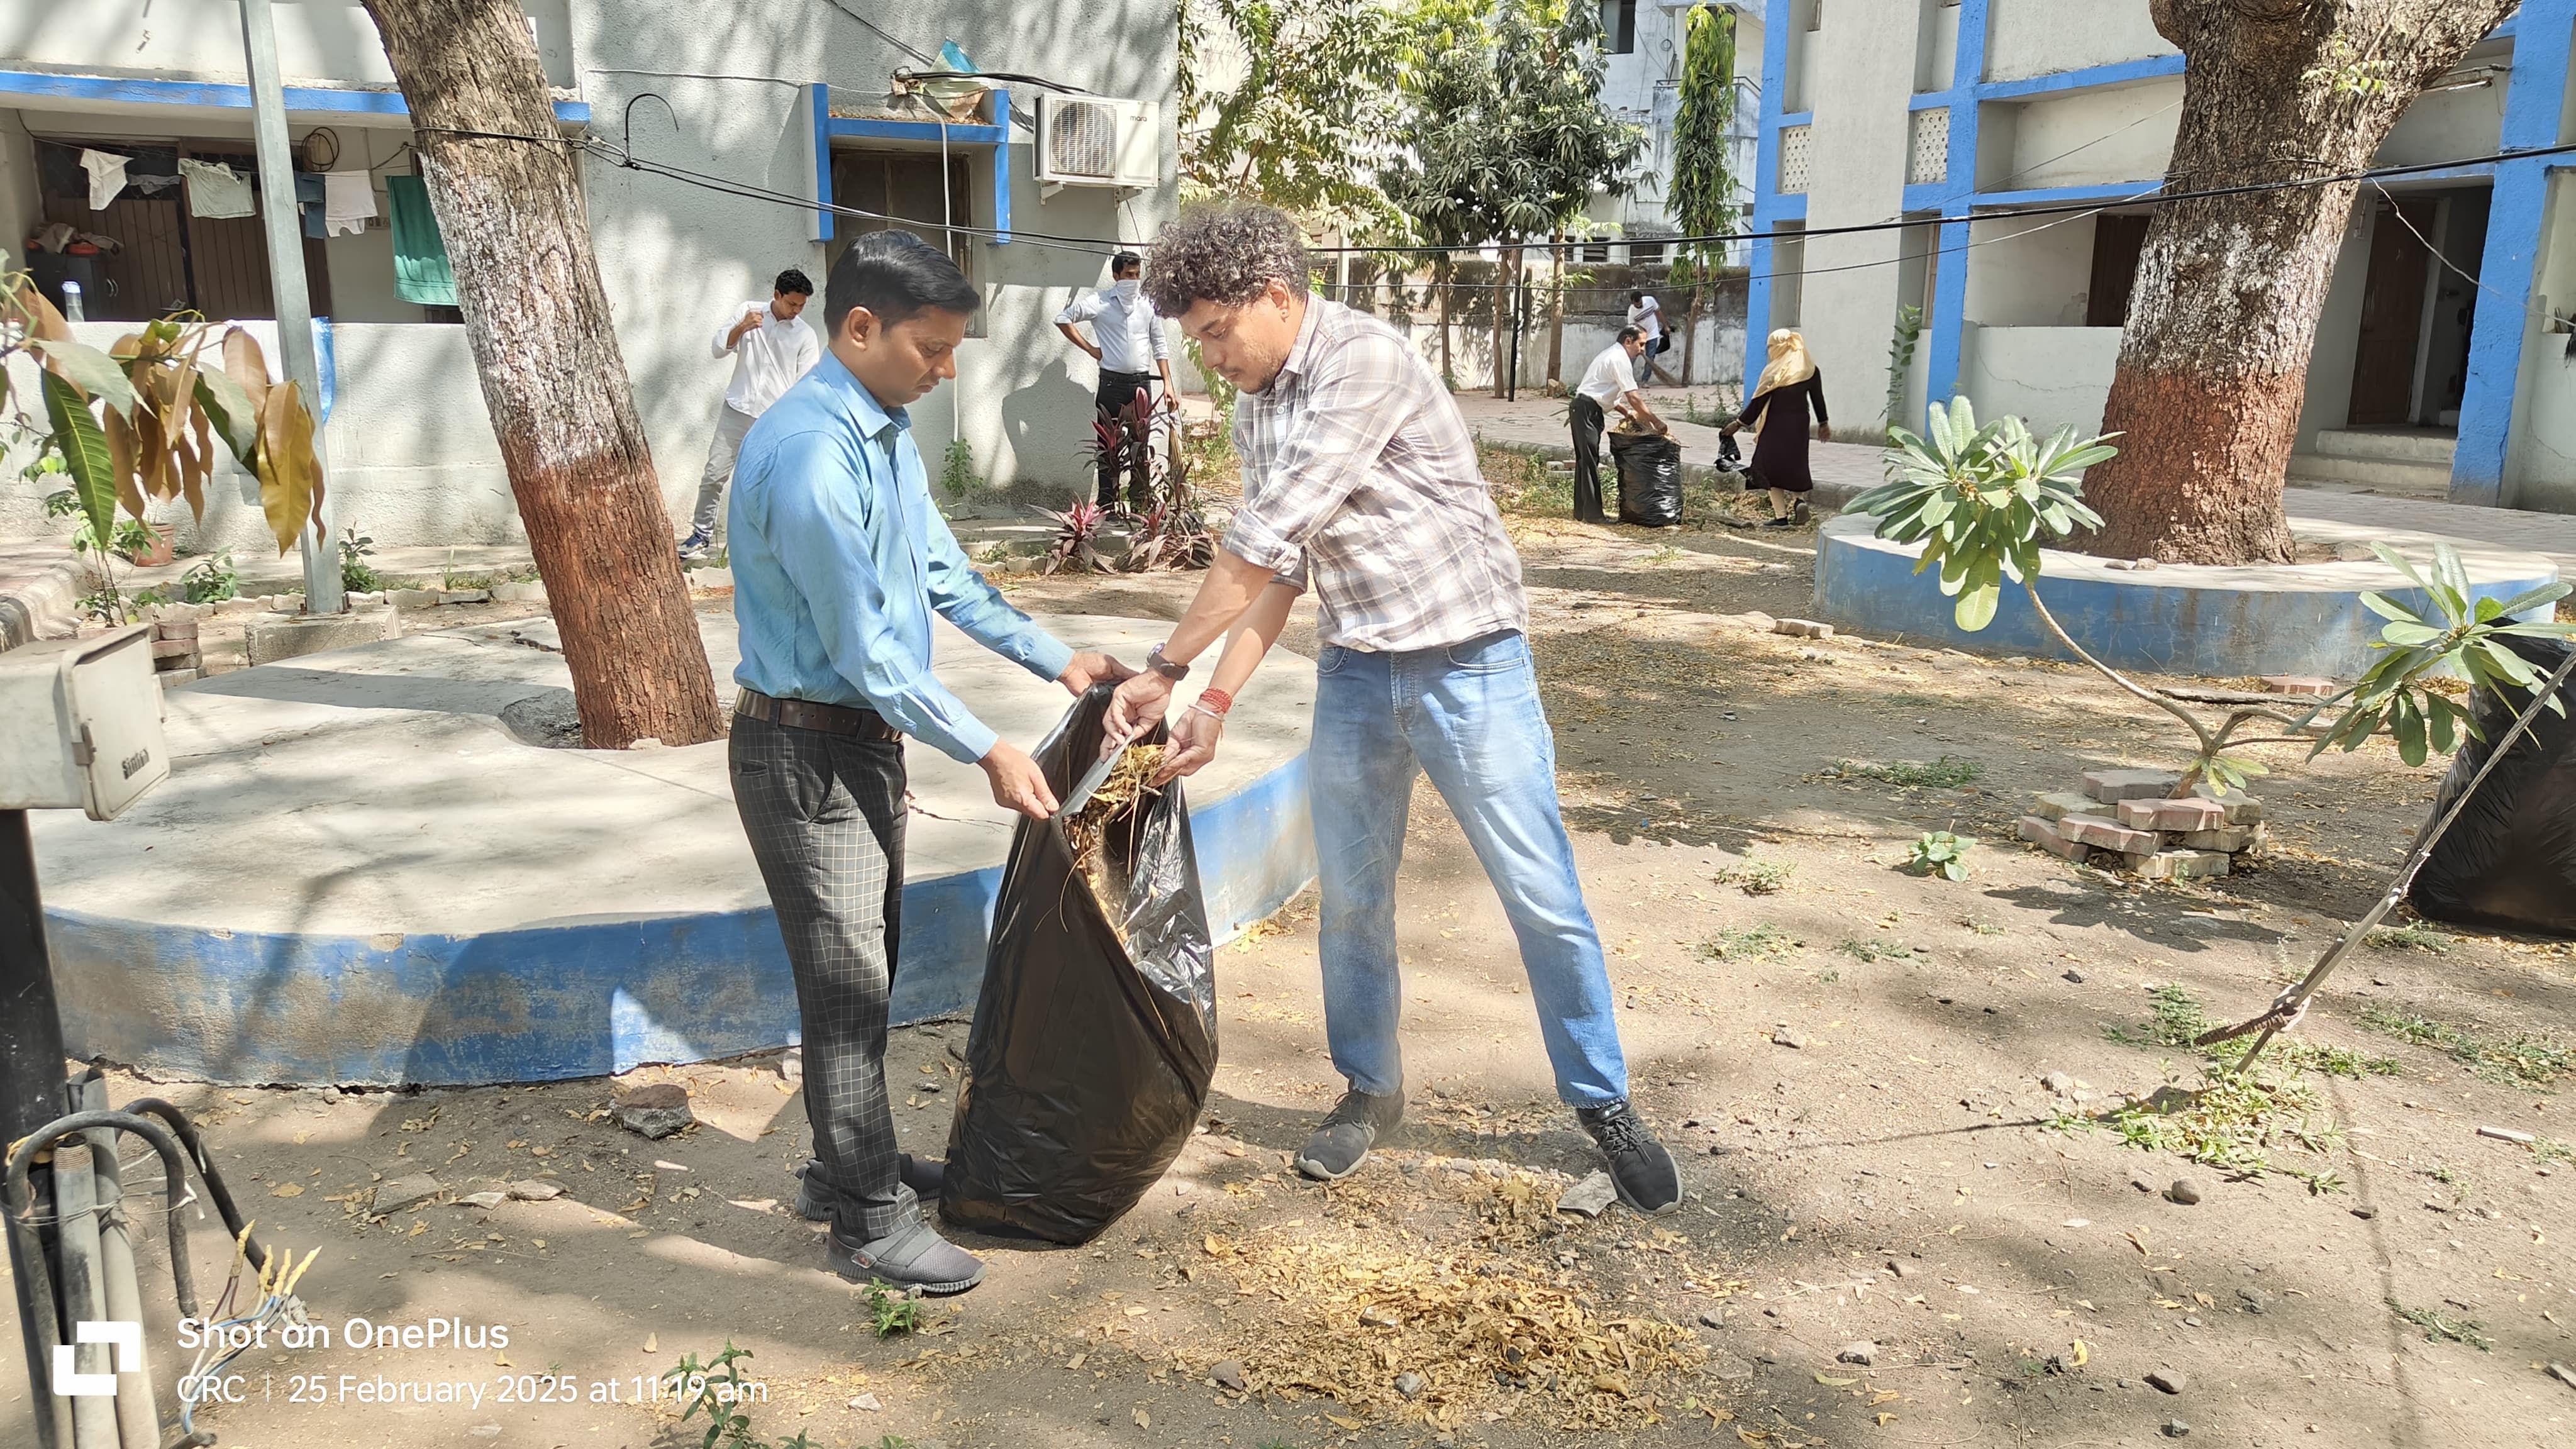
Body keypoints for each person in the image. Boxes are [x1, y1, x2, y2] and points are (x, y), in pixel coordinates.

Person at [1104, 203, 1684, 1217]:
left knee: (1540, 894)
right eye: (1196, 340)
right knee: (1355, 900)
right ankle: (1370, 1088)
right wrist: (1216, 700)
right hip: (1358, 674)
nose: (1209, 358)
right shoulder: (1257, 405)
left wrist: (1166, 667)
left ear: (1275, 297)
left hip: (1470, 664)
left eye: (1216, 332)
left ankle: (1603, 1102)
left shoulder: (1362, 362)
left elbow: (1256, 542)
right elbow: (1281, 571)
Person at [726, 230, 1133, 1295]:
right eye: (932, 348)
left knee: (869, 970)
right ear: (860, 328)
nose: (946, 370)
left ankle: (841, 1166)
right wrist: (988, 747)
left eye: (954, 350)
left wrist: (1057, 658)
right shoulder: (810, 454)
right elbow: (865, 650)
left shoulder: (883, 432)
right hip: (804, 751)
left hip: (858, 747)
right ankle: (866, 1219)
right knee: (848, 986)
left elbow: (941, 572)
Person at [682, 269, 822, 559]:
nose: (796, 310)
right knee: (714, 473)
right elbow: (718, 348)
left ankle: (772, 546)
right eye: (792, 303)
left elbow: (807, 383)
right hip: (737, 408)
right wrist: (742, 327)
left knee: (773, 484)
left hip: (774, 420)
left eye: (801, 306)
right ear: (777, 295)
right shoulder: (749, 311)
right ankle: (701, 535)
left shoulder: (805, 335)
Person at [1057, 250, 1176, 514]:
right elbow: (1063, 319)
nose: (1133, 280)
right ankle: (1108, 505)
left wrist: (1168, 383)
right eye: (1128, 275)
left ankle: (1139, 504)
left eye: (1137, 275)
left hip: (1141, 385)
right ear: (1116, 276)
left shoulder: (1147, 304)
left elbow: (1160, 343)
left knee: (1139, 446)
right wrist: (1091, 349)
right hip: (1111, 384)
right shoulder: (1100, 302)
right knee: (1108, 448)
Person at [1724, 328, 1831, 528]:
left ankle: (1781, 517)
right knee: (1796, 464)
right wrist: (1823, 423)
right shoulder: (1810, 369)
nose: (1770, 351)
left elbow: (1758, 402)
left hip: (1775, 424)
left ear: (1779, 347)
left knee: (1768, 468)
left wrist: (1738, 424)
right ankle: (1799, 501)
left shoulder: (1774, 372)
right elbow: (1818, 398)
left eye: (1771, 347)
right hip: (1799, 424)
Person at [1570, 326, 1666, 525]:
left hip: (1583, 409)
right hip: (1587, 410)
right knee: (1589, 461)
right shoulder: (1620, 359)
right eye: (1641, 344)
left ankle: (1581, 512)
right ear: (1628, 341)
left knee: (1585, 461)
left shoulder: (1611, 354)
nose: (1642, 349)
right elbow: (1633, 397)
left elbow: (1604, 392)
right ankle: (1593, 515)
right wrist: (1655, 421)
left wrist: (1626, 413)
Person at [1626, 289, 1675, 386]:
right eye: (1637, 305)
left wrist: (1666, 326)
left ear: (1642, 299)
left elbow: (1659, 313)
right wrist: (1638, 342)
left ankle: (1645, 381)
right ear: (1633, 303)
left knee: (1650, 358)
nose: (1639, 306)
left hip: (1653, 334)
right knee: (1632, 358)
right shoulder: (1632, 312)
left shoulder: (1650, 300)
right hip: (1640, 337)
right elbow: (1632, 328)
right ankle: (1627, 380)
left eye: (1640, 303)